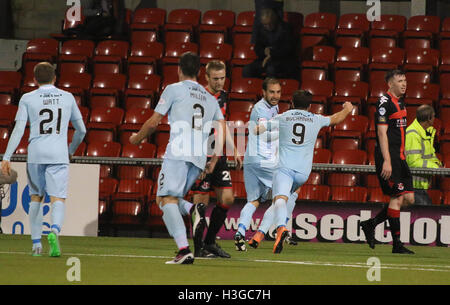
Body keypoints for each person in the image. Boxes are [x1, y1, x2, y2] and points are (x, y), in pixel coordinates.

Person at [129, 52, 226, 265]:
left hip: (179, 153)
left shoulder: (173, 89)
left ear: (179, 69)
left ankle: (183, 249)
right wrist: (214, 159)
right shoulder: (210, 98)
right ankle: (192, 210)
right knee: (164, 200)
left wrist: (137, 139)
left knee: (167, 200)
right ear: (200, 72)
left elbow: (154, 122)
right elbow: (222, 127)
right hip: (199, 158)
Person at [1, 62, 86, 257]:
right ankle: (54, 230)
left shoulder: (27, 98)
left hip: (35, 154)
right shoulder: (67, 97)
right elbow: (81, 130)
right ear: (55, 78)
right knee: (58, 198)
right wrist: (70, 150)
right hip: (58, 154)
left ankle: (36, 245)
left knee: (35, 198)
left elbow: (19, 128)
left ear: (34, 79)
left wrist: (7, 156)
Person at [255, 91, 353, 253]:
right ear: (309, 106)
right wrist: (347, 109)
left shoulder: (284, 116)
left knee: (279, 200)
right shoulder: (315, 118)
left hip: (285, 167)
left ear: (292, 103)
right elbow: (335, 119)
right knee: (291, 195)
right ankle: (272, 231)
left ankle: (264, 232)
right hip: (303, 171)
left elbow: (259, 129)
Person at [233, 77, 298, 251]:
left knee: (253, 200)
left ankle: (240, 231)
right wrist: (285, 133)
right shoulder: (260, 109)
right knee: (290, 190)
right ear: (263, 92)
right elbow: (264, 135)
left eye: (278, 92)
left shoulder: (273, 107)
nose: (275, 95)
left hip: (251, 160)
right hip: (263, 160)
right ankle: (278, 229)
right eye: (272, 92)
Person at [190, 60, 243, 258]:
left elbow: (222, 124)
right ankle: (197, 249)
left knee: (227, 199)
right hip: (202, 156)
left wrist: (234, 149)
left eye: (222, 78)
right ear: (206, 77)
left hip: (219, 156)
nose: (220, 82)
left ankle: (210, 242)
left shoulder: (224, 96)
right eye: (216, 79)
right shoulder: (199, 97)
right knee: (200, 202)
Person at [360, 70, 415, 254]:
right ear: (390, 84)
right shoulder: (384, 102)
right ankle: (397, 244)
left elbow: (398, 131)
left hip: (400, 157)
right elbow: (382, 133)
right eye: (400, 81)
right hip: (389, 157)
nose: (404, 84)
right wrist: (387, 161)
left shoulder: (401, 101)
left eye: (405, 80)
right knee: (397, 198)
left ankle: (371, 224)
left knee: (408, 198)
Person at [243, 8, 297, 79]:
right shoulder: (261, 29)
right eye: (265, 25)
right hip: (264, 59)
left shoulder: (285, 28)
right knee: (247, 69)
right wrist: (265, 51)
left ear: (274, 19)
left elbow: (287, 49)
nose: (268, 27)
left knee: (271, 69)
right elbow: (257, 48)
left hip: (282, 61)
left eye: (270, 24)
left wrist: (271, 54)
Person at [405, 105, 442, 205]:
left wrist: (437, 164)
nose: (435, 119)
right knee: (429, 214)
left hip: (420, 187)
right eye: (433, 116)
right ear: (429, 118)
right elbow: (413, 162)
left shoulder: (425, 133)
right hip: (412, 187)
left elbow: (430, 155)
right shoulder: (412, 134)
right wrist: (436, 168)